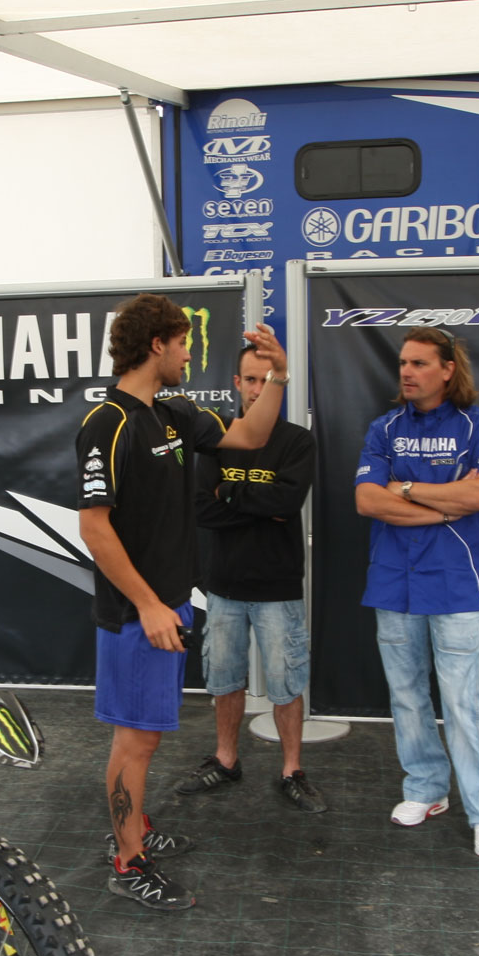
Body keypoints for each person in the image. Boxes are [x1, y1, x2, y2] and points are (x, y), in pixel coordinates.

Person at [77, 294, 289, 909]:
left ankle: (136, 830)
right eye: (183, 344)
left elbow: (251, 434)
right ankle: (127, 862)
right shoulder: (106, 423)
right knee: (135, 740)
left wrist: (278, 375)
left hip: (169, 606)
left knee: (146, 736)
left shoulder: (175, 411)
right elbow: (94, 528)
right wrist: (147, 605)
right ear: (156, 346)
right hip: (135, 614)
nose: (189, 356)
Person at [353, 326, 479, 858]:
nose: (407, 371)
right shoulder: (383, 428)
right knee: (407, 696)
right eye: (403, 362)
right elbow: (368, 501)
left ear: (447, 369)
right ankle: (426, 788)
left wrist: (406, 488)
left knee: (465, 703)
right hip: (393, 582)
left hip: (457, 583)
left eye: (420, 363)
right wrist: (445, 506)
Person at [180, 345, 325, 812]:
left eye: (266, 379)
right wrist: (257, 503)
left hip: (277, 586)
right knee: (224, 679)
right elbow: (202, 510)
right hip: (223, 586)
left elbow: (286, 504)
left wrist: (229, 492)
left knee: (286, 683)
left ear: (279, 384)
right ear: (237, 383)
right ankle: (226, 760)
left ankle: (292, 770)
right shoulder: (220, 439)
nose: (257, 389)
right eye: (249, 380)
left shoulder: (297, 441)